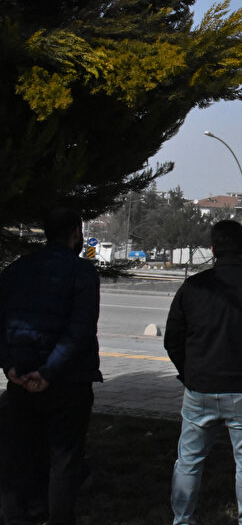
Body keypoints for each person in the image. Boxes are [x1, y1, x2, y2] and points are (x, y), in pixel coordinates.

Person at [164, 220, 242, 525]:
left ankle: (182, 519)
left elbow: (173, 339)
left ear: (213, 250)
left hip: (200, 387)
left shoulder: (193, 287)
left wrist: (189, 373)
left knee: (190, 460)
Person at [0, 207, 101, 525]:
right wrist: (49, 372)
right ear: (76, 232)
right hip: (67, 381)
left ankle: (17, 513)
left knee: (18, 452)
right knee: (64, 458)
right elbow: (80, 330)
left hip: (21, 379)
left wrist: (10, 366)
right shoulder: (82, 273)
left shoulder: (16, 270)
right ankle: (57, 516)